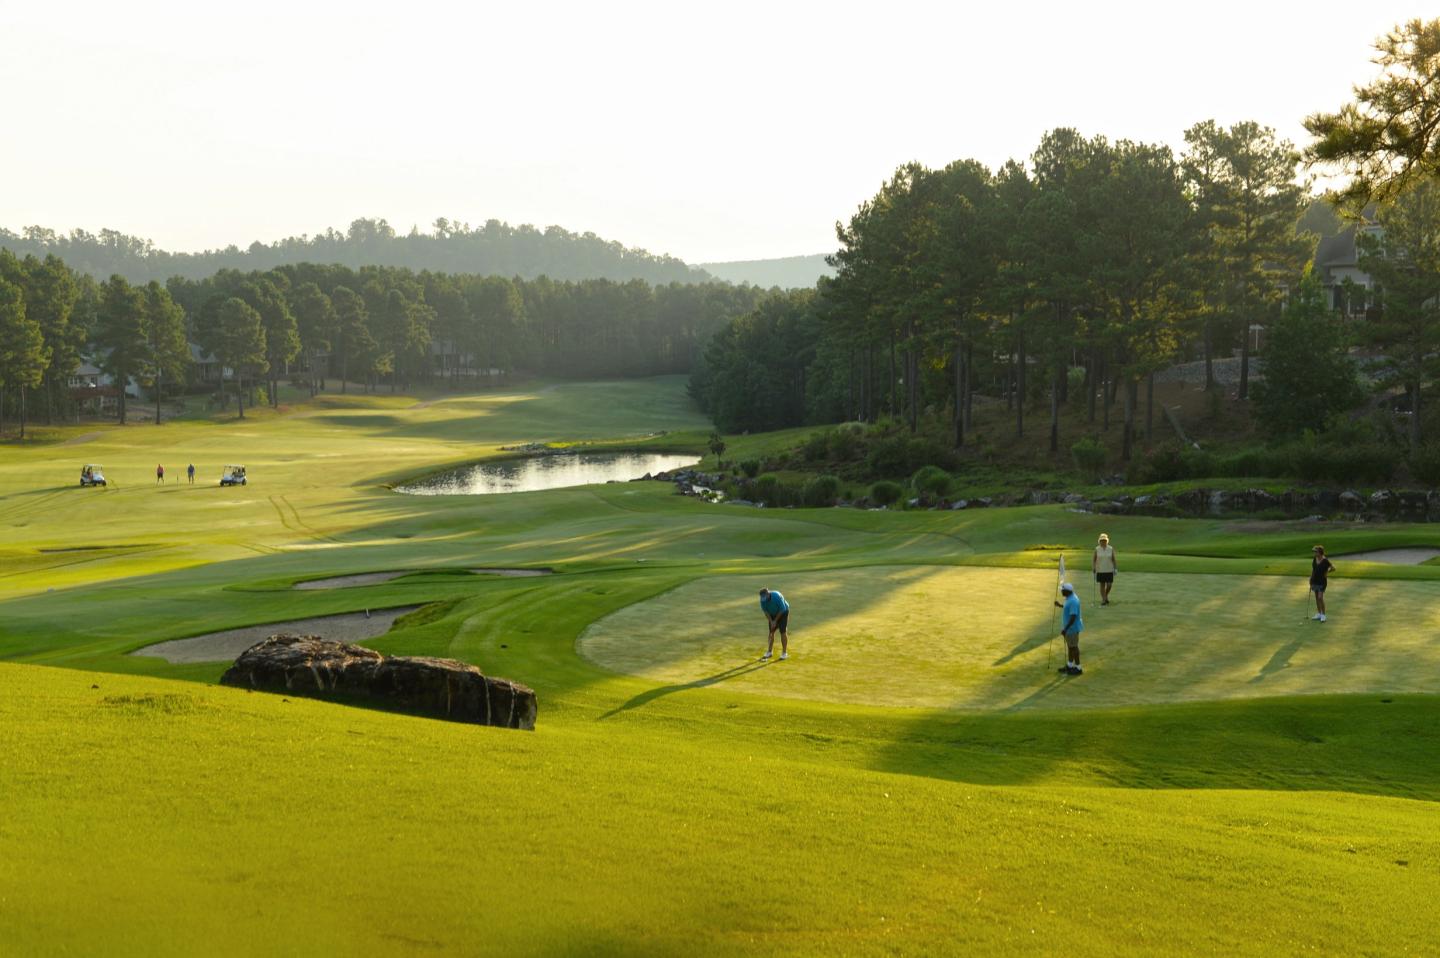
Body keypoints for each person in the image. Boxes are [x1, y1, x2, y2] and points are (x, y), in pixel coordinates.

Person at [1053, 582, 1084, 675]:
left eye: (1062, 590)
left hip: (1072, 629)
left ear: (1067, 591)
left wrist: (1065, 629)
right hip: (1070, 628)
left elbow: (1073, 616)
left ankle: (1078, 668)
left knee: (1074, 647)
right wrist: (1060, 605)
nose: (1061, 591)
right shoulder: (1069, 598)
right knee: (1070, 647)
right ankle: (1070, 665)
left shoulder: (1073, 601)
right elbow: (1068, 608)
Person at [758, 588, 790, 661]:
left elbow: (783, 609)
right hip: (772, 615)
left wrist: (775, 620)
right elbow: (766, 612)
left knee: (783, 631)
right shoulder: (762, 600)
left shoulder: (777, 596)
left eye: (764, 597)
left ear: (768, 594)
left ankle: (784, 653)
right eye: (762, 598)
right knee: (771, 632)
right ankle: (769, 651)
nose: (763, 599)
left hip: (783, 613)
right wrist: (771, 621)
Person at [1310, 545, 1335, 622]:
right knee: (1317, 597)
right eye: (1314, 551)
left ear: (1320, 552)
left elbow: (1333, 568)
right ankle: (1319, 614)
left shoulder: (1325, 560)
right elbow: (1313, 570)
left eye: (1315, 551)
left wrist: (1327, 572)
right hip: (1315, 580)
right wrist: (1311, 578)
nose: (1314, 553)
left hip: (1322, 581)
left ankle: (1323, 615)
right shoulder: (1315, 559)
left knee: (1320, 597)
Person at [1092, 533, 1118, 605]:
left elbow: (1114, 559)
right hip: (1100, 569)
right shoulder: (1097, 549)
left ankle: (1105, 595)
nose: (1103, 542)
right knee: (1102, 585)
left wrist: (1115, 568)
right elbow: (1094, 559)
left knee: (1109, 585)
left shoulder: (1110, 548)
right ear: (1099, 541)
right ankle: (1104, 599)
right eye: (1102, 540)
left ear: (1107, 541)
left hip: (1109, 569)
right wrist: (1094, 567)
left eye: (1104, 540)